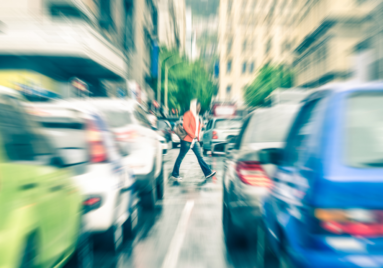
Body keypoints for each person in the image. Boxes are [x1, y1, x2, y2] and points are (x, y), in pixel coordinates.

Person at [171, 99, 216, 182]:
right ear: (194, 106)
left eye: (199, 107)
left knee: (200, 157)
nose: (199, 108)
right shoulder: (188, 114)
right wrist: (193, 135)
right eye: (198, 106)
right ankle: (175, 173)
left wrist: (197, 136)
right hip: (187, 140)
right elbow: (185, 126)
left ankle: (208, 173)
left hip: (195, 141)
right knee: (181, 157)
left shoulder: (196, 116)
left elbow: (196, 128)